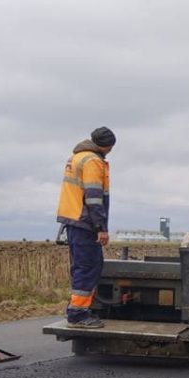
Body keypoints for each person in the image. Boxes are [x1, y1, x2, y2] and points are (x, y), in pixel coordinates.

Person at [56, 127, 115, 328]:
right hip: (85, 223)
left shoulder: (76, 157)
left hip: (73, 220)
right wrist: (101, 227)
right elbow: (94, 198)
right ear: (107, 145)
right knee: (88, 266)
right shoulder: (92, 162)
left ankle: (78, 309)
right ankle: (77, 314)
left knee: (82, 266)